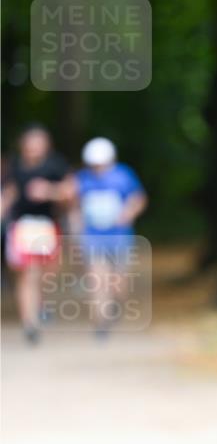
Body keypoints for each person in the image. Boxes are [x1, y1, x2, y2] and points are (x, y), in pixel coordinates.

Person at [1, 124, 75, 343]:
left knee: (46, 273)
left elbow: (70, 192)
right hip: (22, 226)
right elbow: (9, 192)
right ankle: (29, 324)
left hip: (47, 226)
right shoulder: (14, 165)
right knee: (27, 274)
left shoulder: (56, 164)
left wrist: (49, 192)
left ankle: (40, 303)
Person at [74, 137, 148, 337]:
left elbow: (138, 198)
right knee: (97, 279)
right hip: (93, 236)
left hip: (119, 236)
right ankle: (101, 321)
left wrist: (128, 213)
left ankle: (116, 303)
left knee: (118, 280)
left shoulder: (123, 176)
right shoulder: (82, 178)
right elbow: (75, 204)